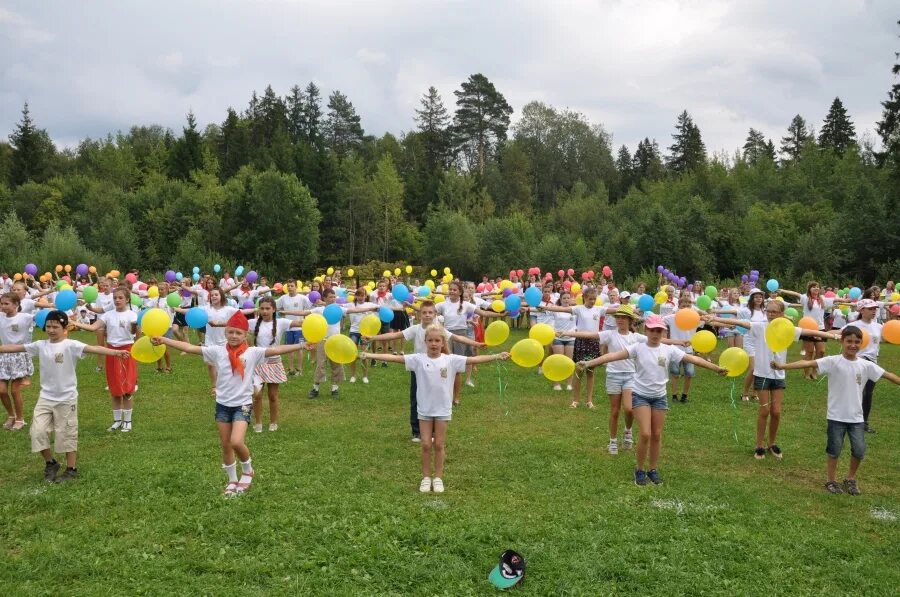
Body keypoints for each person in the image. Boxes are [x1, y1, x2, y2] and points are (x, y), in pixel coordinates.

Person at [151, 311, 302, 496]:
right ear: (225, 333)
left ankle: (248, 470)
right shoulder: (217, 351)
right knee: (225, 444)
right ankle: (231, 480)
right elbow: (190, 348)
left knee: (236, 441)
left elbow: (276, 350)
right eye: (230, 332)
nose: (234, 336)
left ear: (245, 335)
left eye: (238, 333)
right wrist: (165, 340)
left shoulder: (252, 352)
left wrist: (301, 345)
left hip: (243, 404)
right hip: (222, 404)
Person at [577, 315, 727, 485]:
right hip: (640, 395)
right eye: (652, 330)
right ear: (646, 331)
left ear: (663, 332)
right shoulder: (638, 347)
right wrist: (589, 364)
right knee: (645, 433)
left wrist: (716, 368)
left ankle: (652, 469)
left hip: (659, 397)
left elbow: (693, 359)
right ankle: (639, 470)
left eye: (659, 331)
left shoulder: (669, 349)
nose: (655, 334)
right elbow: (612, 356)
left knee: (656, 434)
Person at [361, 324, 510, 493]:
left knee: (439, 445)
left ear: (442, 342)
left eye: (437, 340)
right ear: (425, 342)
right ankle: (426, 477)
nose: (433, 343)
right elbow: (394, 358)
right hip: (424, 410)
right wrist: (369, 354)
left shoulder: (451, 360)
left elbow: (474, 360)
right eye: (430, 340)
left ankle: (438, 478)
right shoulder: (418, 359)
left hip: (442, 410)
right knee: (425, 444)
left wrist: (498, 355)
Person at [0, 311, 130, 483]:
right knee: (37, 432)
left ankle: (71, 469)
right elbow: (14, 347)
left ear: (64, 328)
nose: (51, 330)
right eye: (48, 326)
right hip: (45, 397)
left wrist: (115, 353)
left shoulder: (71, 345)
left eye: (56, 327)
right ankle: (51, 463)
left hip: (67, 398)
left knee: (66, 434)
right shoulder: (40, 345)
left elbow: (93, 348)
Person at [772, 325, 900, 495]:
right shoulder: (833, 361)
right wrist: (782, 367)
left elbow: (888, 374)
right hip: (836, 416)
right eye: (849, 341)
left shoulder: (865, 365)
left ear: (861, 343)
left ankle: (850, 478)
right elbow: (807, 362)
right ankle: (831, 480)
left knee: (859, 450)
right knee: (834, 450)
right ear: (842, 341)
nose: (853, 345)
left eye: (856, 342)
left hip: (856, 418)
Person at [706, 301, 838, 460]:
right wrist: (714, 319)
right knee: (764, 411)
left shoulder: (788, 329)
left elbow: (809, 331)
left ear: (782, 314)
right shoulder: (760, 326)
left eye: (774, 312)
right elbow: (738, 322)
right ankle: (759, 445)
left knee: (776, 412)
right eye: (768, 311)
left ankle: (772, 443)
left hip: (779, 375)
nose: (770, 314)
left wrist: (833, 335)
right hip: (762, 374)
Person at [366, 300, 483, 442]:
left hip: (437, 369)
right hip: (418, 368)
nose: (427, 315)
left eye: (430, 313)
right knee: (416, 398)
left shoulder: (439, 330)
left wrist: (476, 343)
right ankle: (416, 432)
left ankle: (433, 431)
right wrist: (373, 338)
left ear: (435, 314)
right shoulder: (415, 329)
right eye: (424, 313)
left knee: (435, 399)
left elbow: (458, 337)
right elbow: (394, 336)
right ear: (419, 314)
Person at [71, 288, 139, 432]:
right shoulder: (108, 315)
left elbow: (135, 333)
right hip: (111, 351)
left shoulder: (133, 315)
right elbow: (92, 327)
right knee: (114, 388)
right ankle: (116, 421)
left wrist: (135, 327)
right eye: (115, 298)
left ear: (127, 299)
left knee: (127, 389)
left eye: (120, 298)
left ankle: (127, 421)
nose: (117, 300)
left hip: (127, 351)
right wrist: (76, 323)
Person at [250, 297, 301, 432]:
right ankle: (258, 423)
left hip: (274, 363)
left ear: (274, 309)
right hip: (258, 364)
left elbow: (299, 323)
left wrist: (317, 320)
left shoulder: (281, 322)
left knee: (273, 396)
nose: (265, 311)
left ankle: (273, 422)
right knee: (257, 395)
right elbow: (232, 323)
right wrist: (216, 323)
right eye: (262, 308)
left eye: (268, 308)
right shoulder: (253, 322)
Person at [844, 299, 884, 433]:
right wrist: (821, 334)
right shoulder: (855, 325)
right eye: (870, 308)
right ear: (862, 310)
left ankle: (864, 423)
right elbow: (838, 333)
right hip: (857, 362)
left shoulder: (878, 326)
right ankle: (847, 420)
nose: (874, 311)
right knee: (856, 392)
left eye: (875, 308)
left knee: (868, 394)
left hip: (872, 363)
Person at [0, 293, 35, 430]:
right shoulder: (1, 317)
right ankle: (11, 415)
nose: (3, 306)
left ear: (16, 305)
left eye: (6, 304)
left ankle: (20, 419)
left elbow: (43, 318)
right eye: (1, 303)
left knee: (15, 390)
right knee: (1, 390)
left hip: (19, 356)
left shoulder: (25, 318)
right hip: (3, 355)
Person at [663, 294, 701, 404]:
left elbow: (708, 321)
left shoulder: (695, 318)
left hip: (689, 350)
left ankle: (685, 395)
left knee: (689, 373)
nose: (686, 307)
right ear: (679, 306)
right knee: (675, 373)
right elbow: (661, 320)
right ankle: (674, 395)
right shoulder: (672, 318)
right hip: (675, 350)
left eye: (689, 305)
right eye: (684, 305)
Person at [276, 280, 311, 376]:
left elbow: (310, 308)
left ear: (296, 287)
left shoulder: (302, 298)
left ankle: (299, 369)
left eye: (292, 286)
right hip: (288, 328)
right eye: (288, 286)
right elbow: (276, 306)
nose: (290, 288)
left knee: (299, 348)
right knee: (289, 349)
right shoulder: (283, 298)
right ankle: (291, 369)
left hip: (299, 328)